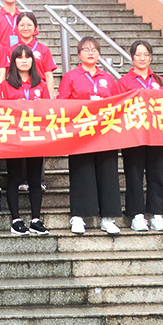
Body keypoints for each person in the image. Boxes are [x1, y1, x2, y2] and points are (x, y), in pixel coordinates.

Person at [58, 37, 122, 235]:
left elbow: (117, 102)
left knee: (107, 173)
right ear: (79, 54)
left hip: (105, 133)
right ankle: (78, 217)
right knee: (81, 173)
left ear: (99, 54)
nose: (90, 52)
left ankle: (108, 218)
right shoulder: (71, 77)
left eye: (94, 49)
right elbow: (62, 103)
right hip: (81, 134)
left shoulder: (108, 78)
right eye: (85, 49)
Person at [118, 40, 163, 232]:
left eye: (146, 54)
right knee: (134, 175)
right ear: (131, 57)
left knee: (156, 175)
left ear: (151, 58)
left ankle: (157, 214)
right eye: (138, 54)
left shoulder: (160, 81)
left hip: (157, 135)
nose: (142, 58)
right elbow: (117, 108)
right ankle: (137, 215)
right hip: (133, 136)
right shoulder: (124, 82)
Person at [0, 45, 50, 236]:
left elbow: (48, 110)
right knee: (13, 177)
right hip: (14, 137)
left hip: (35, 137)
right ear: (13, 61)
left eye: (27, 57)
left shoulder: (40, 84)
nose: (23, 60)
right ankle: (16, 220)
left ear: (32, 60)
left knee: (35, 179)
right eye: (19, 57)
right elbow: (1, 110)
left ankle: (36, 219)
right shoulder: (6, 84)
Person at [15, 12, 58, 99]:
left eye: (29, 25)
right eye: (22, 25)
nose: (25, 28)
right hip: (17, 92)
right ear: (17, 27)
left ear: (35, 27)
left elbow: (48, 75)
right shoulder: (11, 50)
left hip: (39, 92)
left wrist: (49, 99)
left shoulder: (44, 49)